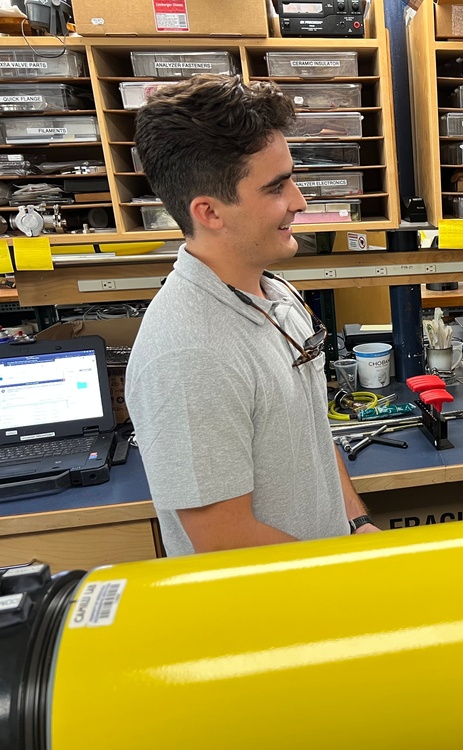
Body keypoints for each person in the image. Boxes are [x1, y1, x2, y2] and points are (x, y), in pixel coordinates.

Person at [126, 76, 377, 556]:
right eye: (276, 187)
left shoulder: (275, 293)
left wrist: (355, 521)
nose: (299, 201)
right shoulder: (188, 356)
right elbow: (226, 542)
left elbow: (312, 432)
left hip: (321, 577)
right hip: (271, 610)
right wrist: (342, 576)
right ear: (210, 212)